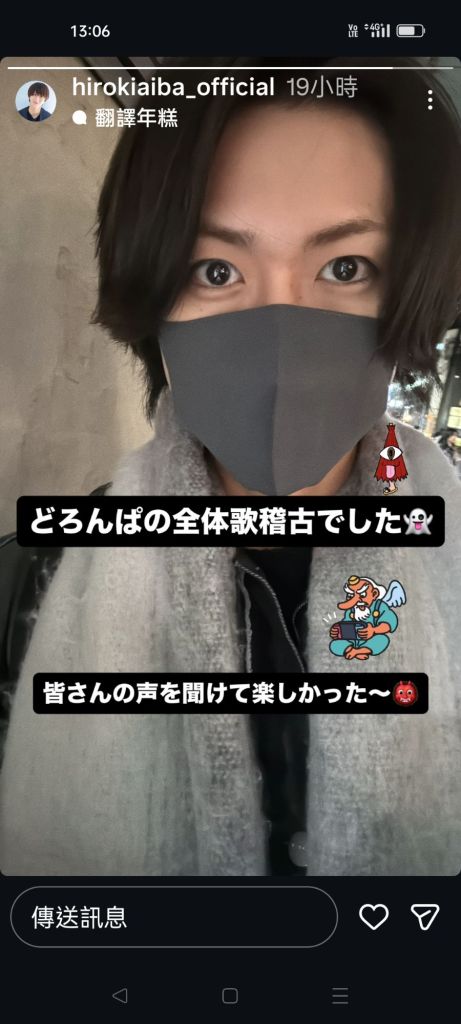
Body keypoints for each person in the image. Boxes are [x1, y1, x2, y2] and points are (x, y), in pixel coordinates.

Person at [1, 58, 461, 877]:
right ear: (154, 300)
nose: (281, 333)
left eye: (345, 268)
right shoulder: (27, 588)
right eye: (215, 271)